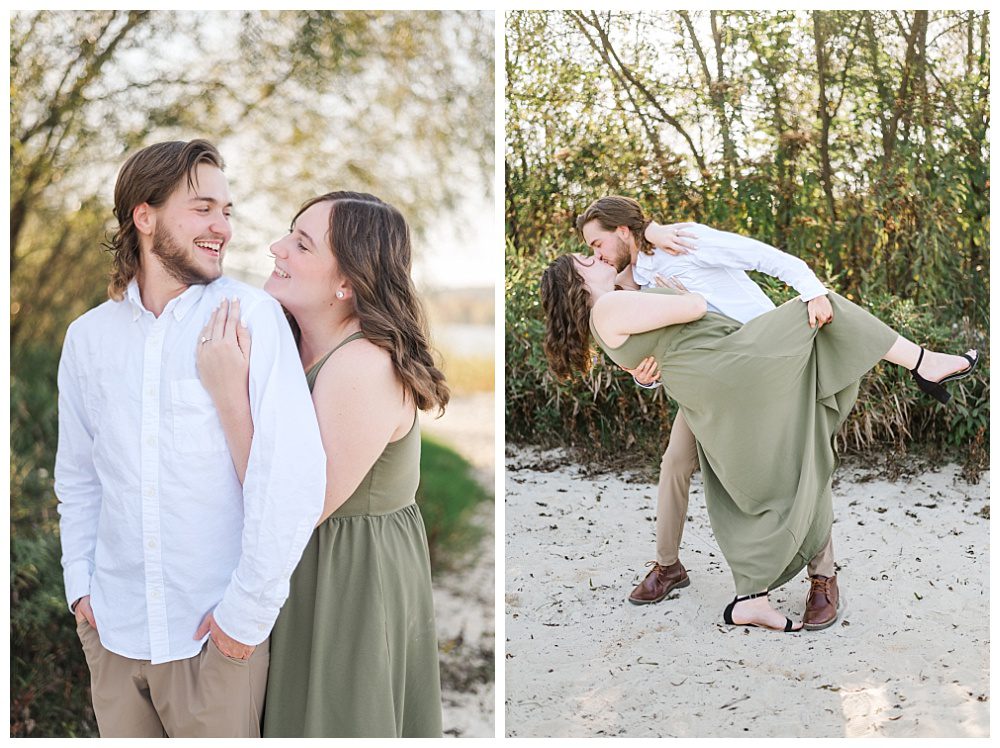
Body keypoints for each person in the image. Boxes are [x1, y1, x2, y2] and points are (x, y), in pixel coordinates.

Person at [539, 252, 977, 632]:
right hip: (734, 364)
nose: (597, 260)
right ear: (576, 284)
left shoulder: (605, 322)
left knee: (759, 474)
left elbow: (658, 349)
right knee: (825, 307)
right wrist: (674, 294)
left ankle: (752, 598)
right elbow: (693, 306)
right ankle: (925, 362)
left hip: (713, 387)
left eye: (595, 251)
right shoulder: (611, 306)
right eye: (587, 261)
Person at [54, 139, 327, 737]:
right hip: (114, 634)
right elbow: (78, 478)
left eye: (227, 211)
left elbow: (292, 481)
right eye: (203, 208)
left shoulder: (251, 319)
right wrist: (82, 591)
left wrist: (243, 622)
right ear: (144, 216)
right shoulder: (87, 339)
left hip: (212, 639)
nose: (222, 228)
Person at [196, 191, 448, 736]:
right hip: (299, 567)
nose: (275, 246)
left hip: (347, 579)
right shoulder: (293, 345)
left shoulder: (363, 364)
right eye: (289, 233)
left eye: (301, 243)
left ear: (347, 283)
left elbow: (297, 505)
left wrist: (228, 396)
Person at [576, 195, 843, 628]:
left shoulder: (685, 240)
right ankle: (668, 566)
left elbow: (764, 257)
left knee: (797, 464)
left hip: (761, 366)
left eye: (597, 243)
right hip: (708, 388)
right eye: (590, 252)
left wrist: (812, 291)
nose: (597, 254)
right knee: (675, 464)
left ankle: (823, 578)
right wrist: (646, 376)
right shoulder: (633, 283)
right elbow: (661, 349)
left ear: (622, 231)